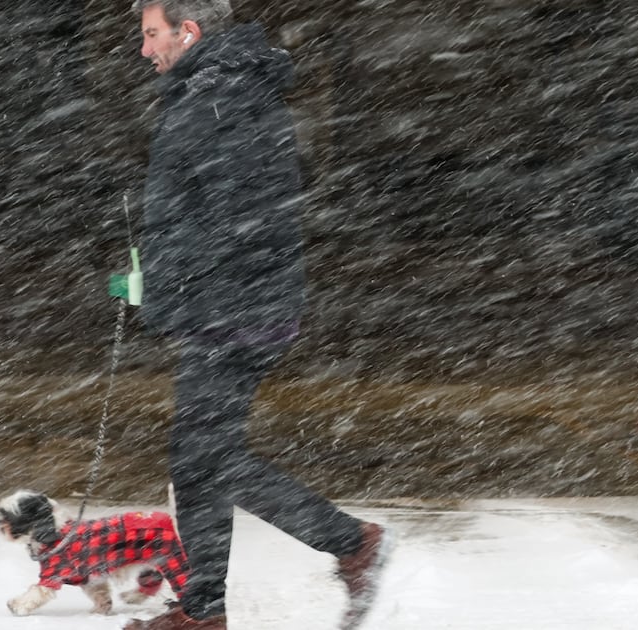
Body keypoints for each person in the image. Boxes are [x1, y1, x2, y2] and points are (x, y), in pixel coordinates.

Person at [123, 2, 392, 629]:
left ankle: (353, 543)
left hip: (234, 307)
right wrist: (152, 276)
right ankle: (204, 610)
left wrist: (174, 278)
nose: (145, 50)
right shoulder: (215, 92)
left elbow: (236, 217)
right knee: (196, 458)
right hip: (228, 303)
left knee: (205, 458)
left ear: (188, 32)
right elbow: (194, 212)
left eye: (150, 34)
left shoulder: (221, 98)